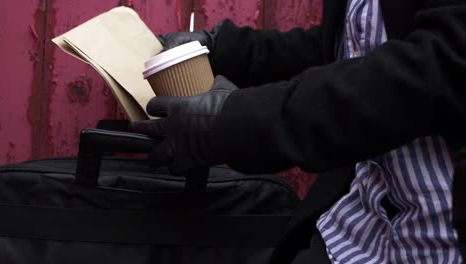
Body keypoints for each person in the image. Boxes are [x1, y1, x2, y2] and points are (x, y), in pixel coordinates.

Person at [131, 0, 466, 263]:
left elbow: (444, 63)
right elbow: (349, 47)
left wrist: (236, 121)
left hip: (444, 239)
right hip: (357, 233)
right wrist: (222, 49)